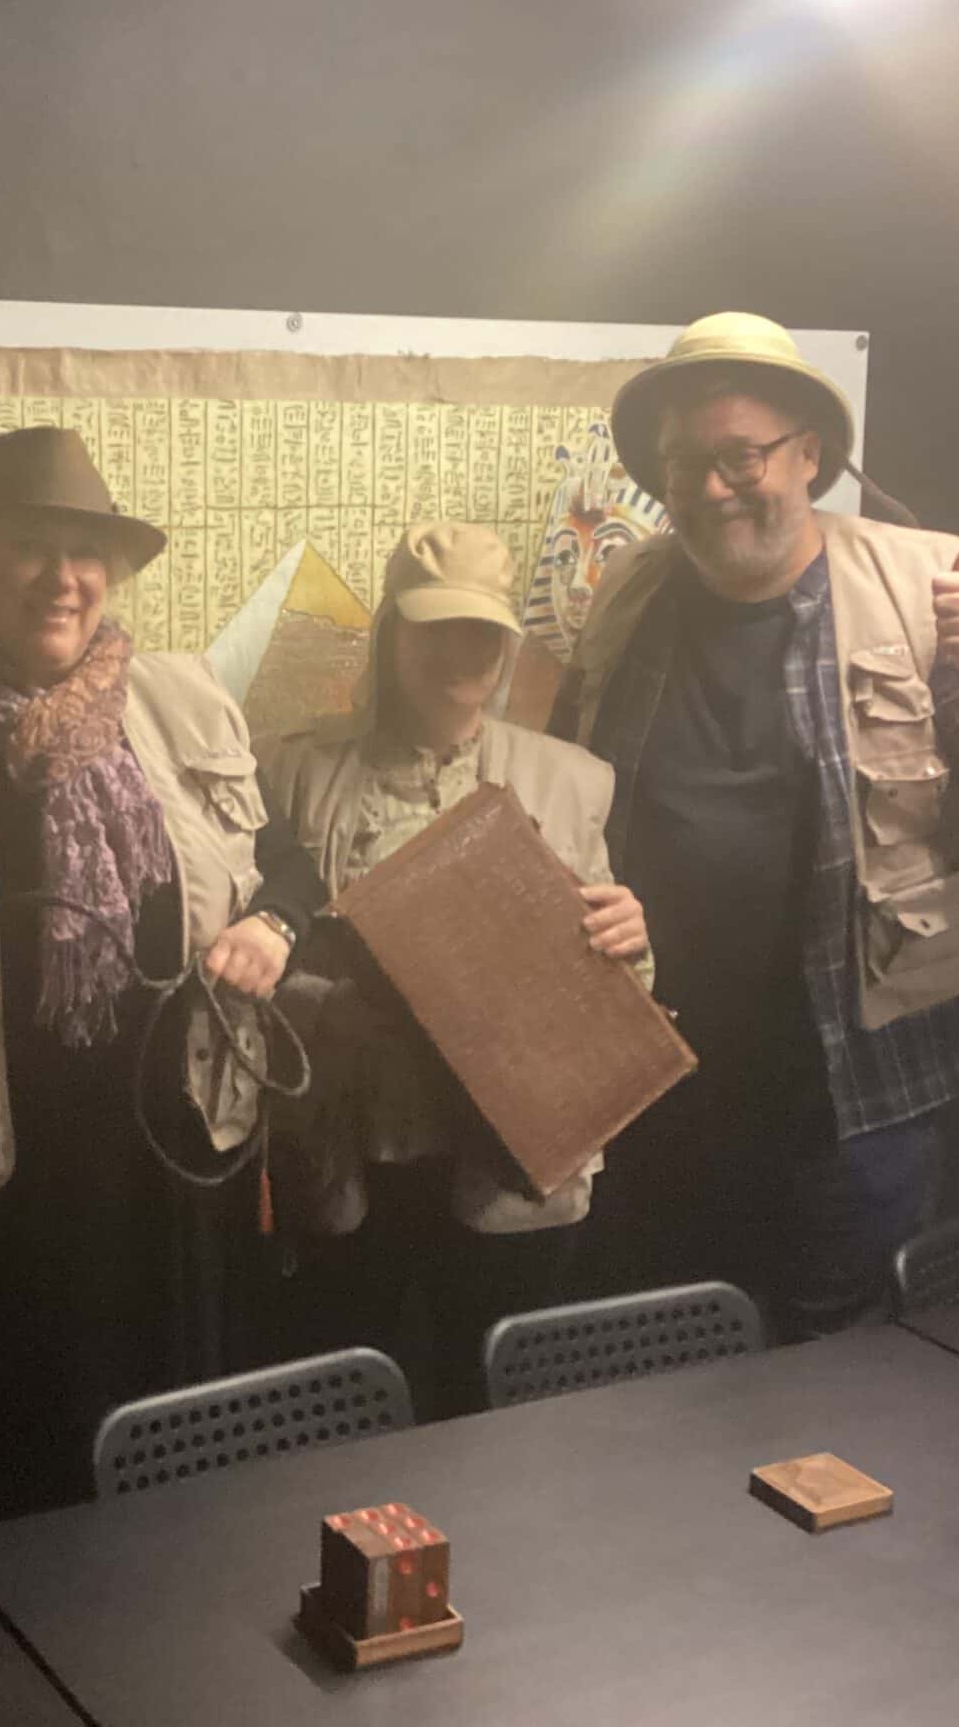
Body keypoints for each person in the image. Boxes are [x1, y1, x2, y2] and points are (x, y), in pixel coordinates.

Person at [553, 312, 959, 1337]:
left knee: (838, 1374)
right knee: (662, 1359)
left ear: (808, 454)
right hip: (653, 1085)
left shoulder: (918, 586)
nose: (712, 487)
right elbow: (563, 798)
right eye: (683, 464)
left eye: (740, 455)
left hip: (854, 1099)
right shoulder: (628, 595)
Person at [0, 425, 326, 1529]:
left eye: (83, 553)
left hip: (174, 1144)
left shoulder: (187, 702)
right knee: (20, 1453)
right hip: (3, 1162)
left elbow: (288, 864)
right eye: (28, 546)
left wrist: (276, 925)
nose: (60, 579)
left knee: (177, 1447)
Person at [259, 522, 650, 1416]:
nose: (461, 652)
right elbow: (254, 961)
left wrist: (630, 939)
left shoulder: (572, 781)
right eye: (434, 627)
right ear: (390, 632)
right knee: (350, 1395)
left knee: (495, 1399)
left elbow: (614, 992)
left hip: (509, 1150)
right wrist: (337, 1003)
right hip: (354, 1146)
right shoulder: (293, 771)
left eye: (481, 631)